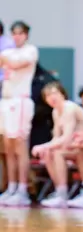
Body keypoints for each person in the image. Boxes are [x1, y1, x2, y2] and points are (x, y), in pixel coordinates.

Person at [31, 83, 83, 208]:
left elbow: (66, 137)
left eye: (54, 93)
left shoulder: (69, 108)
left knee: (57, 152)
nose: (52, 97)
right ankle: (60, 191)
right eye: (47, 95)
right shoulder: (56, 112)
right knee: (48, 152)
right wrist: (45, 147)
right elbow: (57, 138)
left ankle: (63, 194)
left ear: (63, 94)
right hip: (74, 147)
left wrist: (44, 146)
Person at [0, 21, 38, 206]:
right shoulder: (7, 52)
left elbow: (16, 64)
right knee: (7, 146)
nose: (17, 36)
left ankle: (23, 189)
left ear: (26, 35)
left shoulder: (30, 51)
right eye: (14, 33)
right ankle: (11, 187)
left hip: (21, 100)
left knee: (20, 145)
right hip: (5, 101)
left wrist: (5, 60)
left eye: (20, 33)